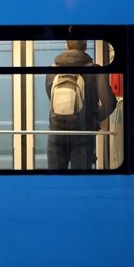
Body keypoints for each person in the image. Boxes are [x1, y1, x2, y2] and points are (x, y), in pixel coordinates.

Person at [46, 39, 117, 170]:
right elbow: (109, 102)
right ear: (85, 46)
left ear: (66, 45)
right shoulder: (94, 70)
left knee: (54, 181)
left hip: (56, 134)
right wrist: (94, 118)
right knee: (81, 182)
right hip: (83, 135)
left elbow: (51, 97)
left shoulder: (52, 69)